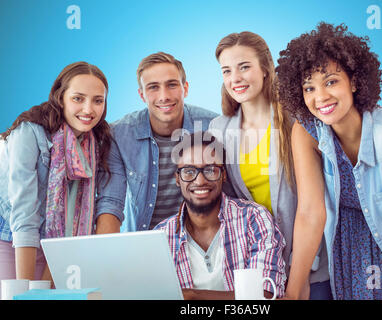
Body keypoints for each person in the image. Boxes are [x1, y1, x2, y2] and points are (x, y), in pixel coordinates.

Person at [276, 22, 382, 300]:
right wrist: (295, 290)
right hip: (349, 248)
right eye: (309, 87)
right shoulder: (306, 130)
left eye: (331, 81)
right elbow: (310, 212)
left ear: (354, 81)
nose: (320, 97)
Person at [208, 31, 331, 299]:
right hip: (258, 271)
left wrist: (299, 279)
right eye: (226, 71)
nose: (235, 78)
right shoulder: (219, 129)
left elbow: (313, 208)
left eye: (244, 67)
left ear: (265, 69)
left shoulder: (297, 120)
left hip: (310, 266)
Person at [0, 62, 112, 295]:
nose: (89, 109)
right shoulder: (29, 133)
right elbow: (24, 214)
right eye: (78, 98)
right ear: (61, 98)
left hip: (56, 247)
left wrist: (48, 278)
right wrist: (28, 292)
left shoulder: (95, 143)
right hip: (12, 236)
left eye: (98, 100)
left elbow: (70, 227)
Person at [95, 52, 218, 234]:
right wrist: (106, 256)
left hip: (202, 241)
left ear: (185, 88)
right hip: (146, 243)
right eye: (153, 87)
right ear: (142, 95)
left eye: (172, 85)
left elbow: (229, 195)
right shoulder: (119, 135)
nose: (164, 96)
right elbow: (111, 202)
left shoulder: (213, 127)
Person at [154, 131, 286, 299]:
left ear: (223, 175)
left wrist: (192, 296)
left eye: (210, 170)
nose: (200, 181)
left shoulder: (254, 219)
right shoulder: (161, 237)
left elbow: (264, 295)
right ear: (177, 179)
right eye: (188, 171)